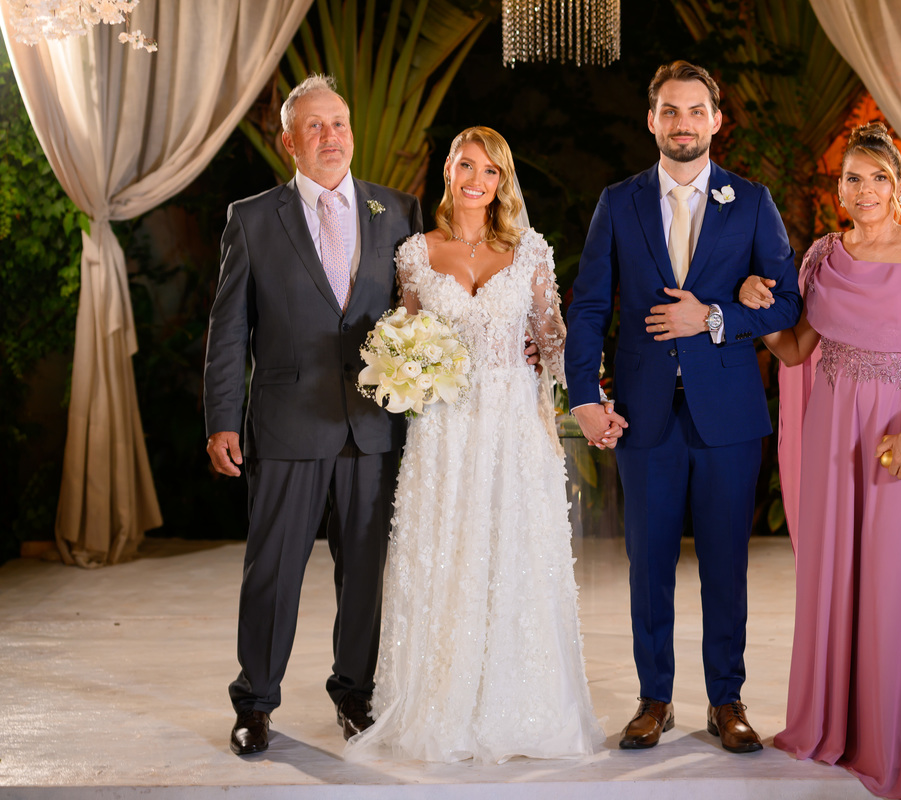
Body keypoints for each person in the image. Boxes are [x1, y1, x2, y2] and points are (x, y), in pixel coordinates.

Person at [739, 123, 901, 799]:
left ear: (900, 187)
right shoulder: (824, 256)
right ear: (840, 189)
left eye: (879, 177)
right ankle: (836, 724)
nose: (866, 189)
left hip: (899, 436)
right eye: (853, 177)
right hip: (834, 437)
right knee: (837, 572)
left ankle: (898, 732)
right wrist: (756, 310)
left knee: (897, 578)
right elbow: (796, 350)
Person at [343, 126, 605, 764]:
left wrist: (587, 392)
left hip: (514, 427)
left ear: (501, 182)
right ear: (448, 171)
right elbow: (404, 334)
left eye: (490, 171)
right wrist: (403, 368)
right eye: (466, 165)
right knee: (448, 554)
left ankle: (519, 706)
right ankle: (443, 704)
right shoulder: (414, 254)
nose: (476, 180)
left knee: (513, 553)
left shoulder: (528, 251)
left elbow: (553, 337)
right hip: (444, 431)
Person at [564, 61, 802, 753]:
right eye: (670, 110)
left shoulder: (751, 201)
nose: (683, 123)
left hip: (727, 416)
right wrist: (585, 396)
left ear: (716, 120)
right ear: (652, 120)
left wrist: (716, 317)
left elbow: (788, 303)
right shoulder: (620, 202)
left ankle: (727, 701)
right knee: (649, 565)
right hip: (643, 415)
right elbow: (589, 306)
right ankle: (655, 699)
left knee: (726, 565)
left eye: (696, 111)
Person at [204, 74, 422, 755]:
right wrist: (221, 419)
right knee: (272, 570)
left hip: (374, 425)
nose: (331, 137)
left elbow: (424, 313)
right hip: (286, 422)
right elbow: (228, 329)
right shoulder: (252, 218)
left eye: (340, 124)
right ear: (289, 141)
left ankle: (354, 694)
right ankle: (255, 703)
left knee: (365, 573)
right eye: (315, 126)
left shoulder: (399, 211)